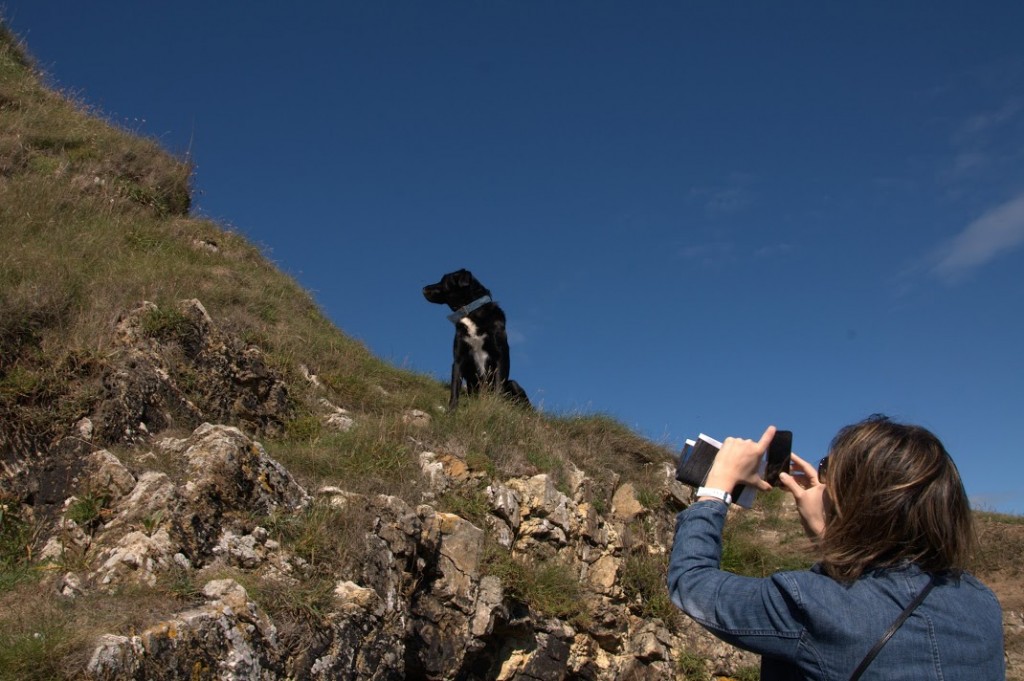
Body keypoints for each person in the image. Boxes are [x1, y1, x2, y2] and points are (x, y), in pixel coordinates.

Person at [667, 415, 1005, 680]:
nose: (821, 479)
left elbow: (692, 583)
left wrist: (717, 485)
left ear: (857, 500)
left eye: (829, 470)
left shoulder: (810, 603)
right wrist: (831, 535)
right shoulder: (981, 603)